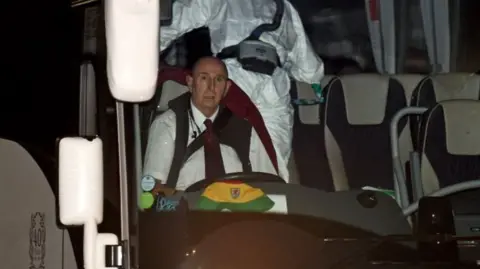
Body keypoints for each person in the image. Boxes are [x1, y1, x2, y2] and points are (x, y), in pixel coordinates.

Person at [159, 0, 324, 182]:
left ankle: (229, 203)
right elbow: (308, 67)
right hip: (271, 84)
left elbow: (175, 22)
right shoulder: (283, 7)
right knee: (273, 160)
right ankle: (269, 203)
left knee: (229, 154)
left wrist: (145, 54)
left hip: (235, 79)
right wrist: (305, 77)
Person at [143, 57, 282, 191]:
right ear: (190, 83)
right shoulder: (167, 125)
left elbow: (270, 184)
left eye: (219, 80)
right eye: (204, 78)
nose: (211, 87)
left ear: (226, 88)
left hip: (238, 212)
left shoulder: (244, 130)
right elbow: (152, 189)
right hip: (186, 212)